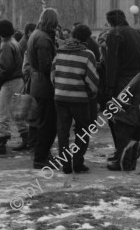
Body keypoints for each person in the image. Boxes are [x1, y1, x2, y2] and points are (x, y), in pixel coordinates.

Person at [51, 24, 99, 174]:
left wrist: (59, 88)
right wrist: (92, 94)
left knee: (63, 131)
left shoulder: (60, 52)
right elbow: (92, 80)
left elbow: (53, 74)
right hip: (79, 99)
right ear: (86, 38)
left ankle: (65, 165)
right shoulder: (87, 54)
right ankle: (78, 163)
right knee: (83, 130)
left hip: (60, 97)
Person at [104, 9, 140, 171]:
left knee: (120, 119)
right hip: (136, 80)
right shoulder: (137, 33)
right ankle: (131, 150)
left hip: (122, 82)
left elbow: (112, 63)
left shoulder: (115, 34)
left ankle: (123, 157)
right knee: (132, 117)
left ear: (111, 22)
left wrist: (109, 87)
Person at [0, 20, 25, 155]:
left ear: (0, 31)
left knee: (1, 112)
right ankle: (27, 138)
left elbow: (6, 67)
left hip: (10, 82)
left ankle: (0, 142)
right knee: (17, 111)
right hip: (18, 80)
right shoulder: (14, 42)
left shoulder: (6, 45)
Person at [27, 8, 59, 169]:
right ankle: (41, 157)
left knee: (43, 122)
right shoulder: (43, 39)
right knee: (48, 124)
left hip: (38, 84)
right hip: (44, 86)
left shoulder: (37, 35)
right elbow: (46, 65)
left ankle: (43, 154)